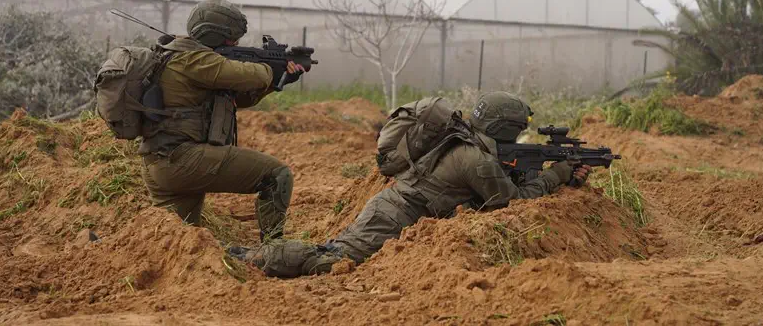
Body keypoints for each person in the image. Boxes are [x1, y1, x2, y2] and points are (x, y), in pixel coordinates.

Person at [229, 91, 592, 277]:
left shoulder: (474, 145)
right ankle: (254, 259)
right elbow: (510, 202)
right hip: (393, 215)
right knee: (333, 259)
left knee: (333, 253)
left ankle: (256, 256)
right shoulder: (476, 159)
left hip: (397, 208)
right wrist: (557, 175)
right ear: (505, 130)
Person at [138, 0, 305, 240]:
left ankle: (104, 251)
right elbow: (246, 75)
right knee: (277, 175)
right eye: (231, 39)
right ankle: (274, 248)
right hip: (182, 160)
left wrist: (277, 82)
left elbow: (235, 98)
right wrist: (273, 69)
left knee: (175, 243)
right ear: (215, 34)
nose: (235, 43)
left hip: (161, 160)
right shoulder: (194, 59)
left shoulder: (180, 55)